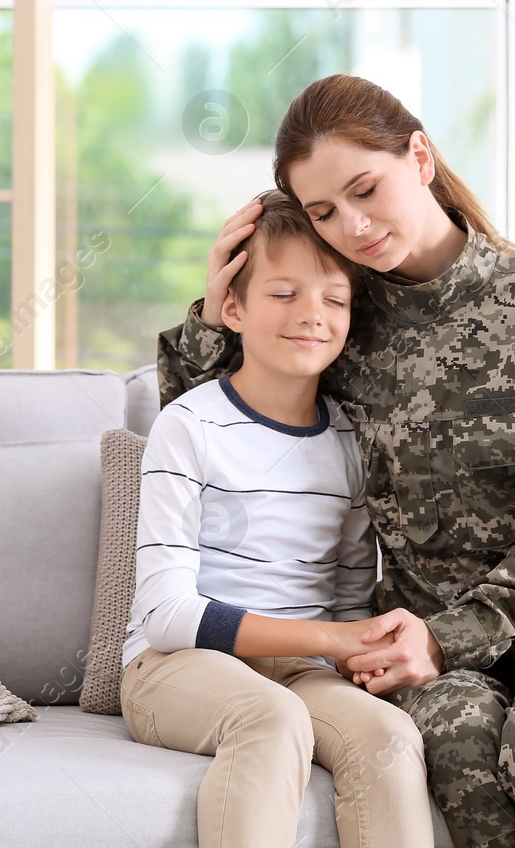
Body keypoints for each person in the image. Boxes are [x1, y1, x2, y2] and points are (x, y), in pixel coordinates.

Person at [158, 74, 515, 848]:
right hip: (422, 658)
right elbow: (220, 427)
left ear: (420, 157)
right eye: (325, 213)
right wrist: (212, 306)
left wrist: (448, 636)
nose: (354, 227)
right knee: (457, 746)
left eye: (367, 189)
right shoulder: (338, 319)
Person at [120, 189, 434, 848]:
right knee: (271, 719)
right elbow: (169, 616)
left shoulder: (347, 442)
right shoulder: (188, 425)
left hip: (300, 668)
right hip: (175, 664)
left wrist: (361, 647)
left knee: (388, 735)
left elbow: (348, 599)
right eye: (284, 293)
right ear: (231, 307)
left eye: (334, 300)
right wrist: (331, 642)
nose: (311, 315)